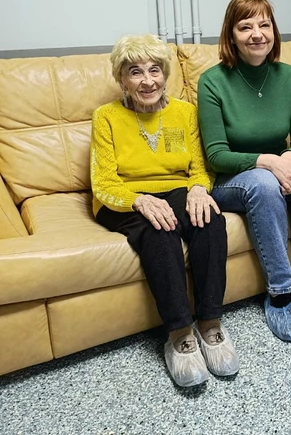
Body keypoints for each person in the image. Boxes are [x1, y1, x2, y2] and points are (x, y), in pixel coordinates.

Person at [197, 0, 291, 342]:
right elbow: (216, 155)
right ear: (231, 35)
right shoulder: (212, 82)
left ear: (273, 31)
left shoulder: (288, 76)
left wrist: (289, 160)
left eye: (264, 24)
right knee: (264, 184)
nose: (257, 34)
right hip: (234, 179)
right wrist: (268, 162)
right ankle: (280, 293)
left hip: (280, 168)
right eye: (245, 26)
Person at [91, 34, 238, 387]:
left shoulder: (185, 112)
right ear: (121, 79)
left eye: (154, 70)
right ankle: (179, 334)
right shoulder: (106, 117)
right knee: (160, 231)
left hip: (176, 189)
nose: (147, 81)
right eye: (135, 72)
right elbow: (104, 182)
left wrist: (199, 189)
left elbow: (200, 167)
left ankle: (210, 323)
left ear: (165, 74)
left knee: (209, 219)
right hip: (124, 197)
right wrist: (139, 200)